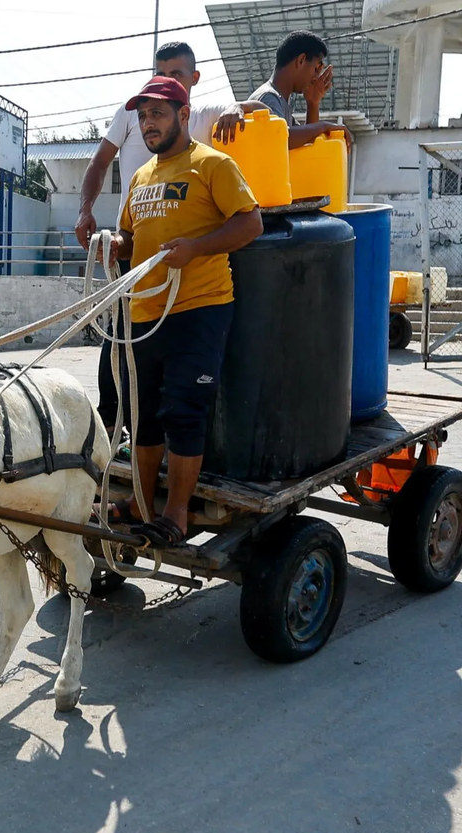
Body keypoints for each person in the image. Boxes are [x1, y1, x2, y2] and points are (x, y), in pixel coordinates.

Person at [97, 76, 262, 547]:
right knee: (145, 414)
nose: (148, 124)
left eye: (158, 114)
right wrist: (112, 244)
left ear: (183, 115)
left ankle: (176, 514)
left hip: (199, 309)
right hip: (146, 312)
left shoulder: (212, 164)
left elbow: (251, 222)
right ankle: (142, 503)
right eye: (143, 116)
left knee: (184, 413)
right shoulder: (141, 177)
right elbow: (131, 238)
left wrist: (196, 248)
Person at [75, 41, 266, 436]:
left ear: (192, 85)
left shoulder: (203, 120)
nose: (164, 81)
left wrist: (235, 110)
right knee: (120, 343)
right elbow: (99, 162)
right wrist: (88, 213)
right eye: (159, 72)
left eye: (174, 75)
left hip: (189, 278)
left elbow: (253, 108)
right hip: (135, 256)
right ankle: (112, 427)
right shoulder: (136, 118)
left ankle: (175, 460)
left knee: (182, 392)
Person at [250, 31, 352, 149]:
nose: (316, 77)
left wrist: (313, 103)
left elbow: (306, 142)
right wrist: (324, 126)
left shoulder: (280, 103)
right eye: (315, 69)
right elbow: (282, 139)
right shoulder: (267, 97)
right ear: (301, 60)